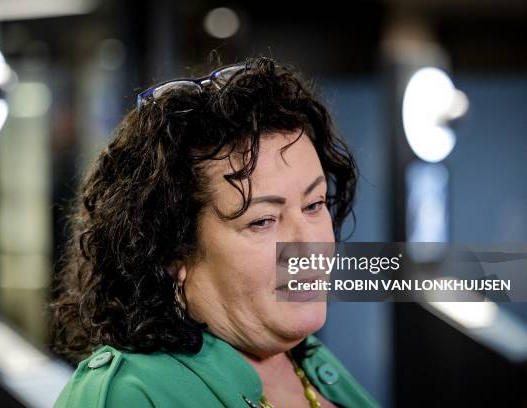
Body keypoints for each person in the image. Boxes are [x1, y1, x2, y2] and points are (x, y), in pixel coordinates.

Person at [51, 57, 379, 408]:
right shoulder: (128, 394)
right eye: (263, 220)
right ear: (173, 250)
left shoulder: (309, 362)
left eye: (314, 204)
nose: (310, 243)